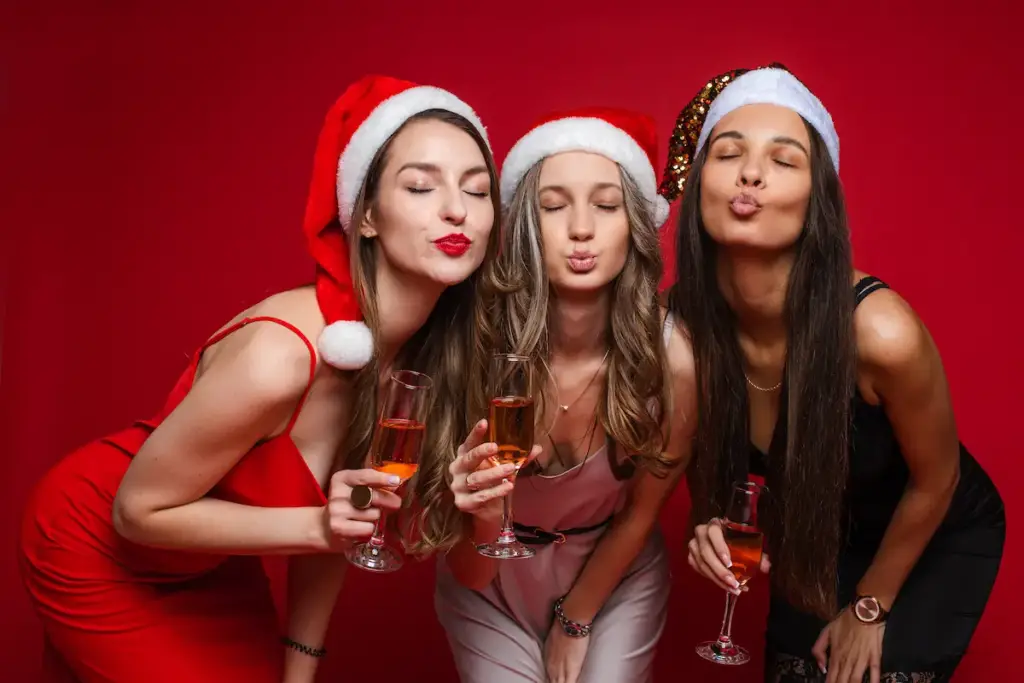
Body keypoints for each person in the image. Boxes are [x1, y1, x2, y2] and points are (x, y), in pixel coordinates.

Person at [18, 74, 500, 683]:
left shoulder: (419, 363)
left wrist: (299, 671)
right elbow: (136, 510)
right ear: (367, 216)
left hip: (209, 561)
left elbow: (340, 532)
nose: (456, 208)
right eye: (421, 186)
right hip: (95, 543)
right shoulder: (281, 356)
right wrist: (321, 524)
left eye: (477, 190)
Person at [666, 65, 1006, 683]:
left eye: (785, 160)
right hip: (815, 534)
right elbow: (694, 460)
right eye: (728, 151)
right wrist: (705, 529)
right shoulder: (682, 325)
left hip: (927, 531)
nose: (751, 173)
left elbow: (939, 480)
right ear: (700, 182)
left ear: (817, 199)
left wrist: (870, 608)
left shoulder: (879, 333)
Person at [418, 108, 696, 683]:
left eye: (606, 204)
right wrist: (482, 515)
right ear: (523, 224)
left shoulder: (674, 359)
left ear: (635, 225)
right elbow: (469, 571)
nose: (581, 228)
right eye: (553, 206)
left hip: (610, 577)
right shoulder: (471, 348)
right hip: (490, 584)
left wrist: (577, 622)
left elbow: (641, 515)